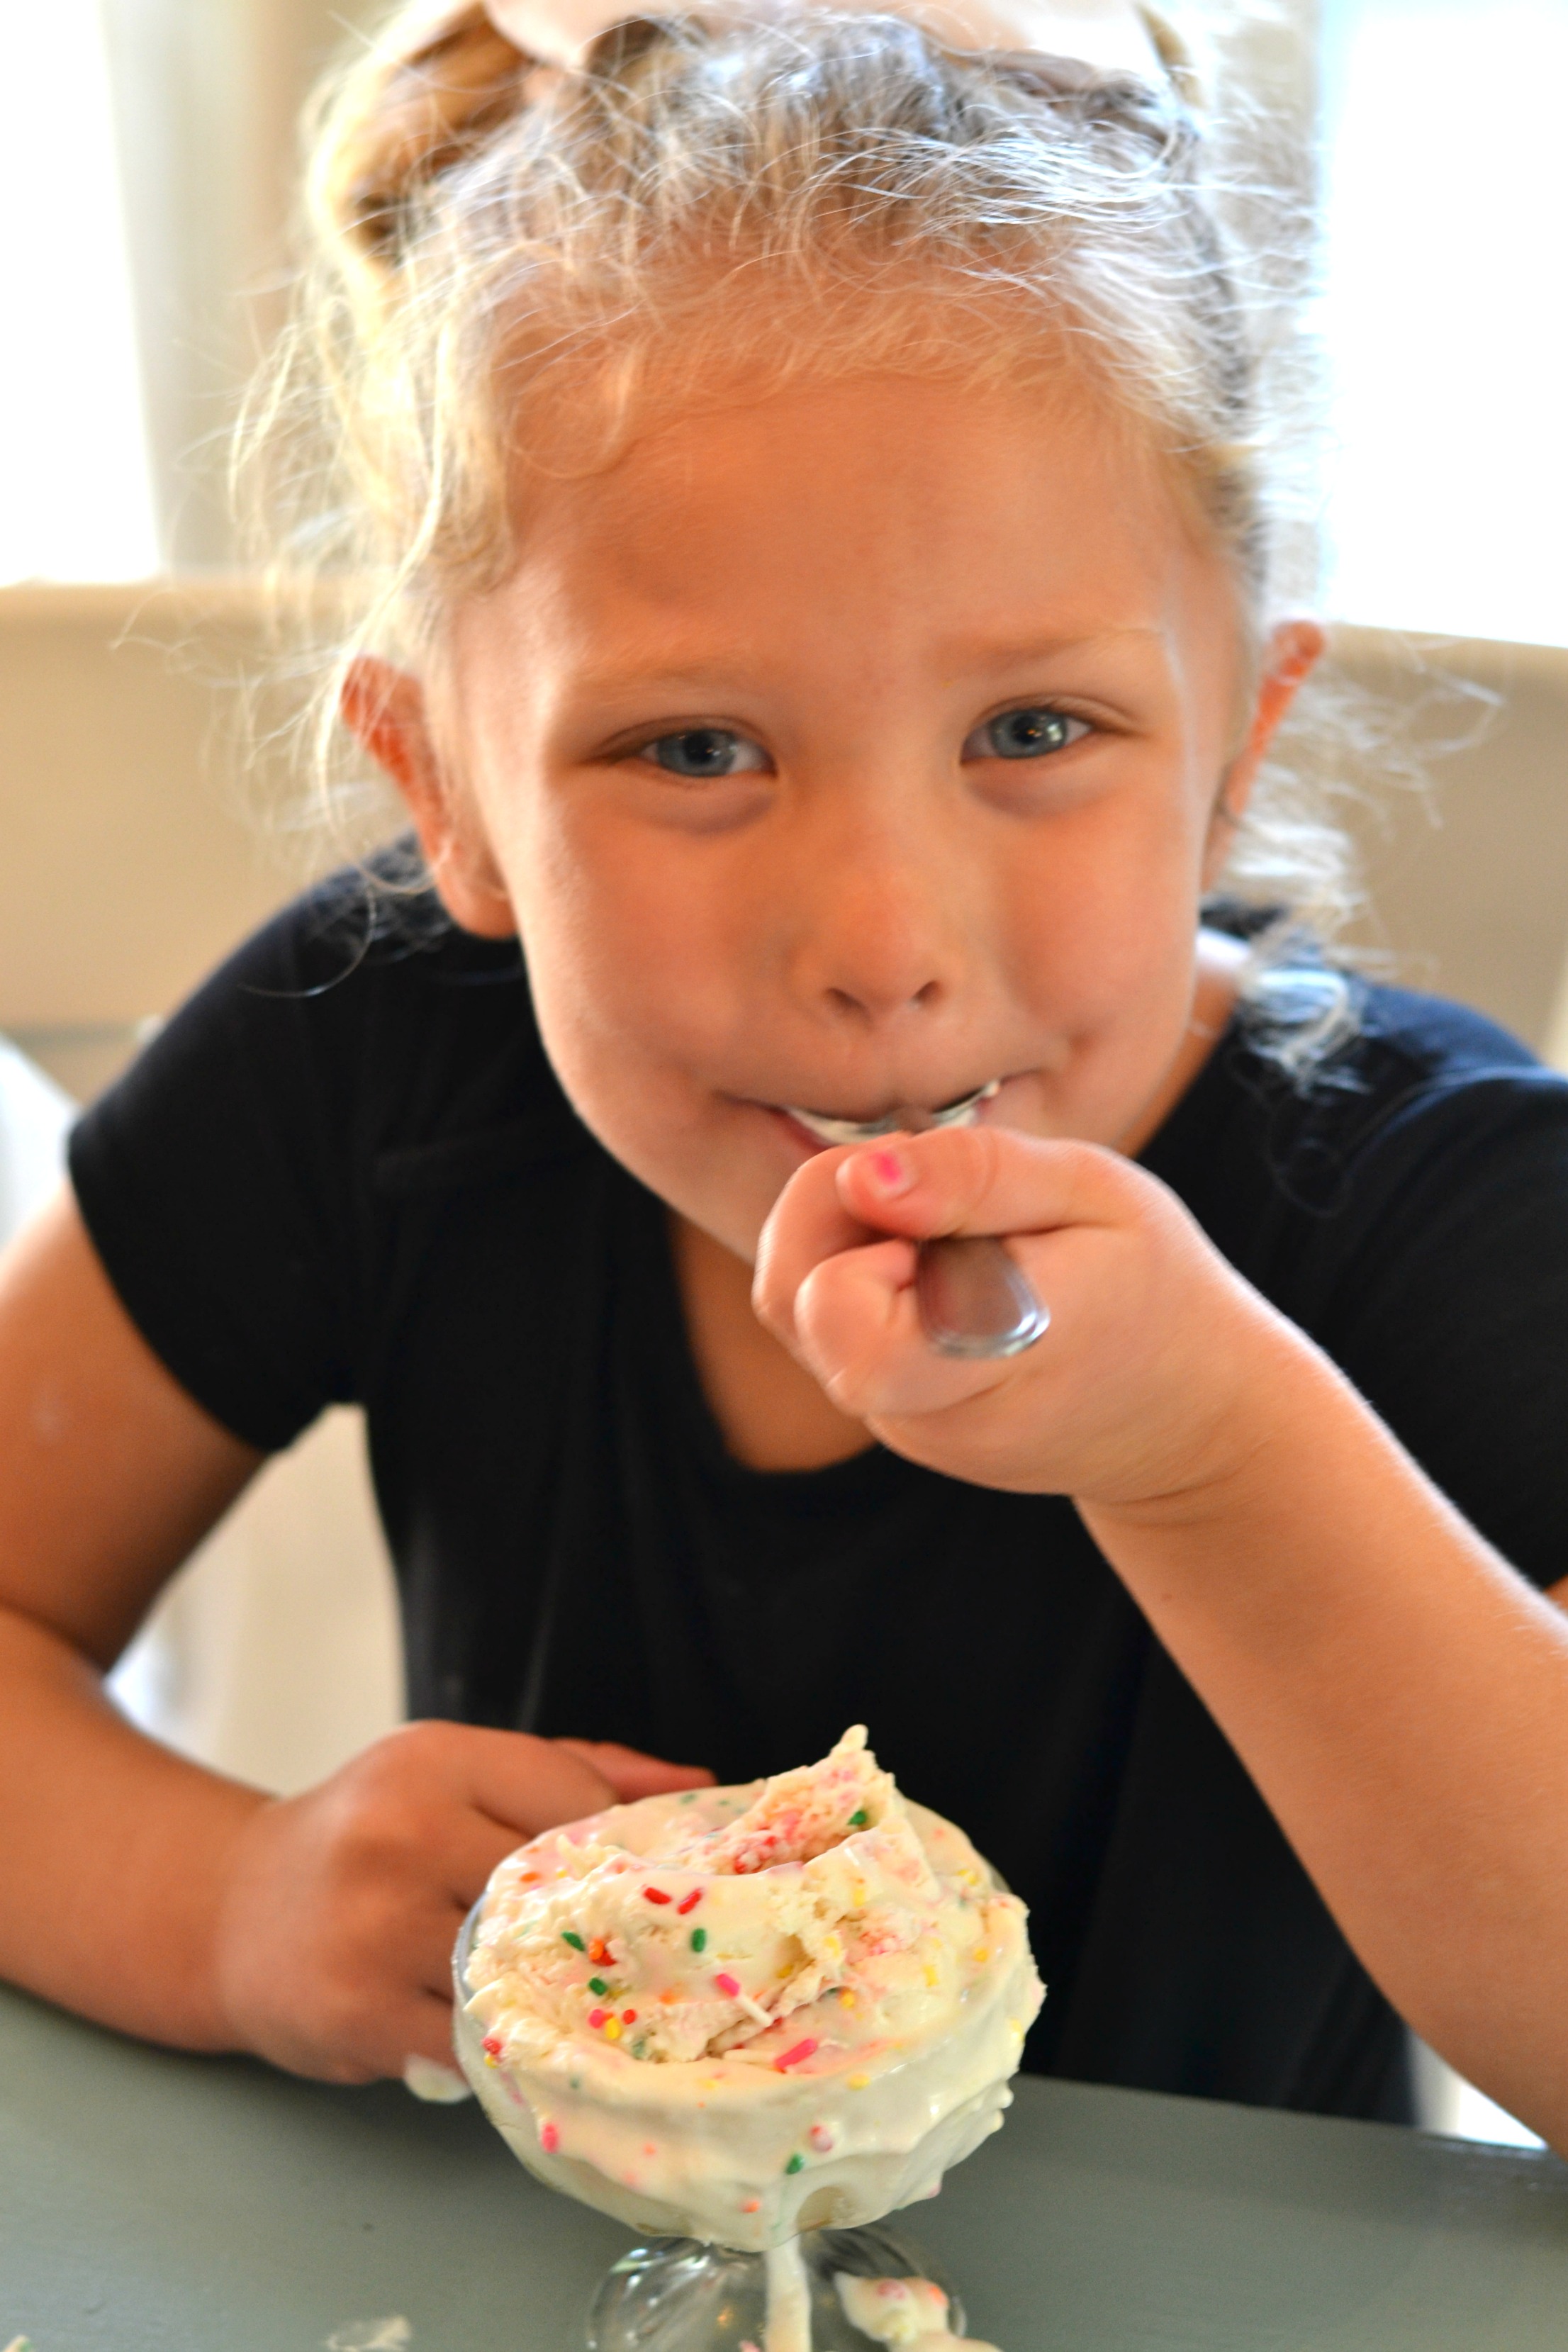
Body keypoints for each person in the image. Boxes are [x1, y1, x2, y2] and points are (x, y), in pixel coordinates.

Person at [2, 0, 1567, 2146]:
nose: (884, 952)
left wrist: (1212, 1454)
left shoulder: (1431, 1198)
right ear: (441, 789)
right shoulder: (375, 1067)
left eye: (1030, 734)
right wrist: (227, 1897)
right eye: (696, 751)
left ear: (1235, 749)